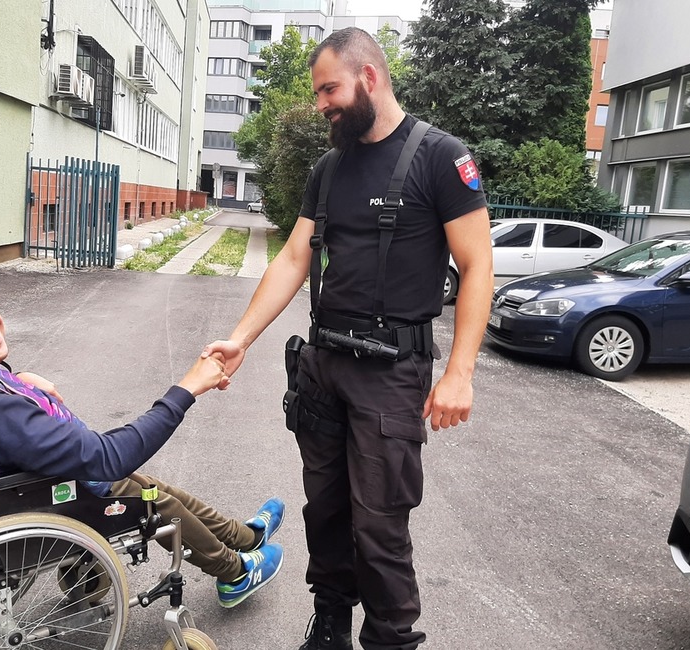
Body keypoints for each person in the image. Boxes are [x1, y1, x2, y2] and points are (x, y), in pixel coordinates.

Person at [203, 27, 494, 650]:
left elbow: (478, 267)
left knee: (380, 523)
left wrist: (460, 373)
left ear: (369, 76)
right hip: (323, 364)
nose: (322, 104)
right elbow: (291, 258)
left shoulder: (441, 157)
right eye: (318, 93)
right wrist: (241, 339)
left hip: (392, 374)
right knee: (326, 509)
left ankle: (391, 637)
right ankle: (331, 617)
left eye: (329, 89)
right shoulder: (330, 168)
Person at [0, 268, 285, 609]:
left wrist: (14, 378)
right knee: (156, 501)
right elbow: (109, 459)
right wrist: (187, 388)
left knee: (155, 488)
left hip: (9, 487)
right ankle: (235, 572)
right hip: (48, 495)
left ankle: (243, 536)